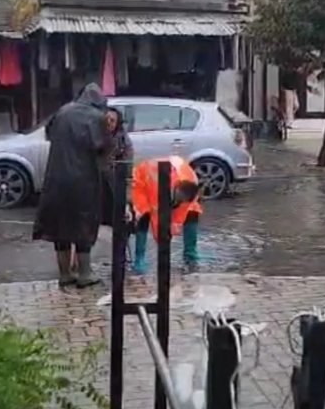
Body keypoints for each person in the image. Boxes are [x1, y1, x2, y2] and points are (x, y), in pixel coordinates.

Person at [33, 84, 111, 287]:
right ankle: (85, 274)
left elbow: (49, 134)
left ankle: (65, 274)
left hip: (56, 177)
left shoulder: (63, 111)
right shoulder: (97, 117)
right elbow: (102, 147)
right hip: (83, 179)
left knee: (60, 226)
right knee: (83, 224)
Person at [129, 156, 202, 275]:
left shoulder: (192, 182)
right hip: (142, 181)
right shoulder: (159, 186)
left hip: (171, 170)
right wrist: (164, 239)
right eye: (178, 200)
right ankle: (139, 259)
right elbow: (158, 217)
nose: (178, 203)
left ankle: (190, 255)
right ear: (175, 190)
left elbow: (182, 211)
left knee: (193, 211)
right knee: (143, 214)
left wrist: (174, 226)